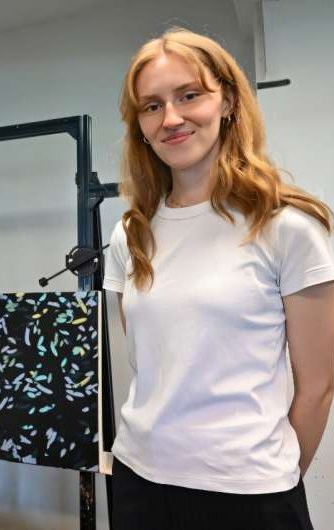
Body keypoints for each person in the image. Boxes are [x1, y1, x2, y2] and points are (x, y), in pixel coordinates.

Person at [103, 27, 334, 530]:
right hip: (139, 478)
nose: (171, 118)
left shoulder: (287, 227)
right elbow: (152, 364)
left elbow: (318, 386)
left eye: (190, 95)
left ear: (227, 101)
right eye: (152, 106)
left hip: (249, 493)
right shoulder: (129, 234)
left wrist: (273, 478)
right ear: (139, 125)